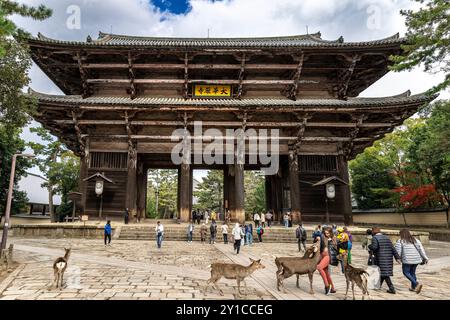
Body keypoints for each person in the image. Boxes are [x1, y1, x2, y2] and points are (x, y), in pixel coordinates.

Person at [395, 229, 429, 294]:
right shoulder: (416, 240)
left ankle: (416, 284)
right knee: (412, 273)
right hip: (416, 260)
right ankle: (413, 288)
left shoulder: (401, 241)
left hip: (407, 260)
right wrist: (425, 258)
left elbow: (398, 251)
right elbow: (421, 250)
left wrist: (398, 258)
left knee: (406, 272)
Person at [368, 227, 401, 294]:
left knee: (384, 273)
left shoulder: (375, 238)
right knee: (383, 272)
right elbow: (393, 248)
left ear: (373, 232)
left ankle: (391, 288)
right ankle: (378, 285)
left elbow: (374, 247)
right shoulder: (386, 237)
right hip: (388, 258)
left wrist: (369, 246)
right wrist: (397, 258)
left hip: (381, 258)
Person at [317, 227, 337, 295]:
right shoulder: (323, 237)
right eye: (325, 233)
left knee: (319, 267)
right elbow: (317, 242)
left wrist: (328, 245)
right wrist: (317, 238)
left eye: (328, 233)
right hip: (322, 255)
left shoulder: (333, 238)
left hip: (328, 256)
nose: (326, 234)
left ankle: (327, 286)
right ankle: (333, 289)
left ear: (331, 232)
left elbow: (335, 247)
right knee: (326, 273)